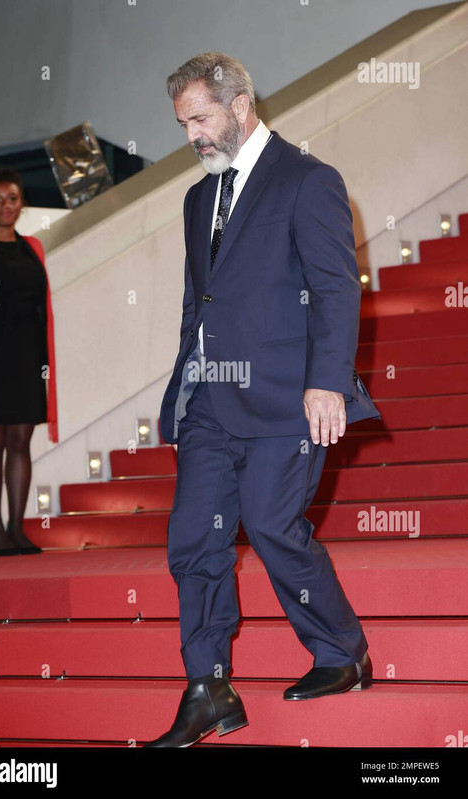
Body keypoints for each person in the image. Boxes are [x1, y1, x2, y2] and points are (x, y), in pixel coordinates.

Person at [145, 52, 380, 748]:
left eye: (201, 118)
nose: (192, 135)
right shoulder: (198, 198)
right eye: (183, 123)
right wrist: (186, 385)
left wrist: (328, 379)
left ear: (241, 105)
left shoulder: (307, 181)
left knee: (272, 525)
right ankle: (208, 686)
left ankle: (342, 650)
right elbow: (201, 302)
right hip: (210, 399)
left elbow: (337, 287)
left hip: (285, 396)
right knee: (192, 539)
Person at [0, 167, 58, 555]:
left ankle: (16, 529)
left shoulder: (32, 249)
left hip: (25, 357)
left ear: (21, 203)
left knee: (21, 439)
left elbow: (41, 307)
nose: (5, 206)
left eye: (12, 198)